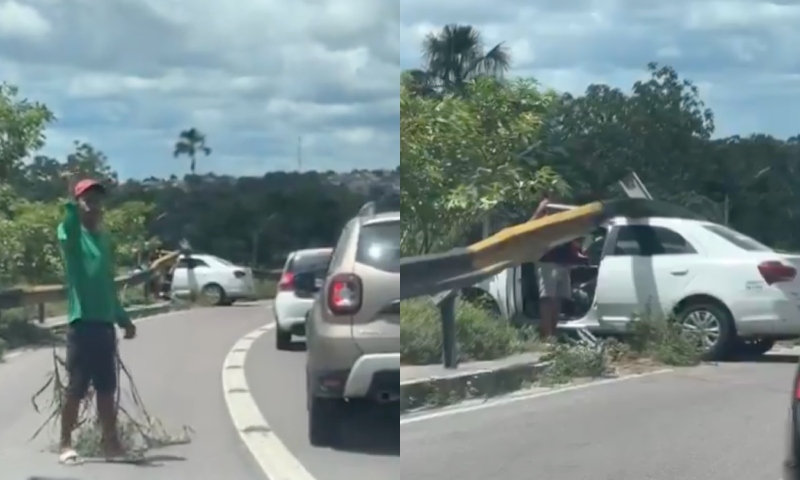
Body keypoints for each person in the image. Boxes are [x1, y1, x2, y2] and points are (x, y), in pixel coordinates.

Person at [58, 178, 137, 465]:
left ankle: (111, 443)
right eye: (87, 200)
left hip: (104, 326)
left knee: (106, 388)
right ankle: (65, 444)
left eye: (97, 201)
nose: (94, 206)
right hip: (82, 325)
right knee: (76, 388)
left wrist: (123, 319)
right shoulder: (73, 235)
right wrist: (71, 206)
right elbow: (66, 232)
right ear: (79, 205)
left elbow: (107, 285)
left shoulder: (104, 240)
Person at [530, 195, 586, 340]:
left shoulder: (564, 218)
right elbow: (528, 228)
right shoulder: (542, 220)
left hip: (563, 262)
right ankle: (547, 335)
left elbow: (574, 240)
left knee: (558, 299)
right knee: (548, 298)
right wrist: (540, 210)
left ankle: (553, 333)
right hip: (547, 261)